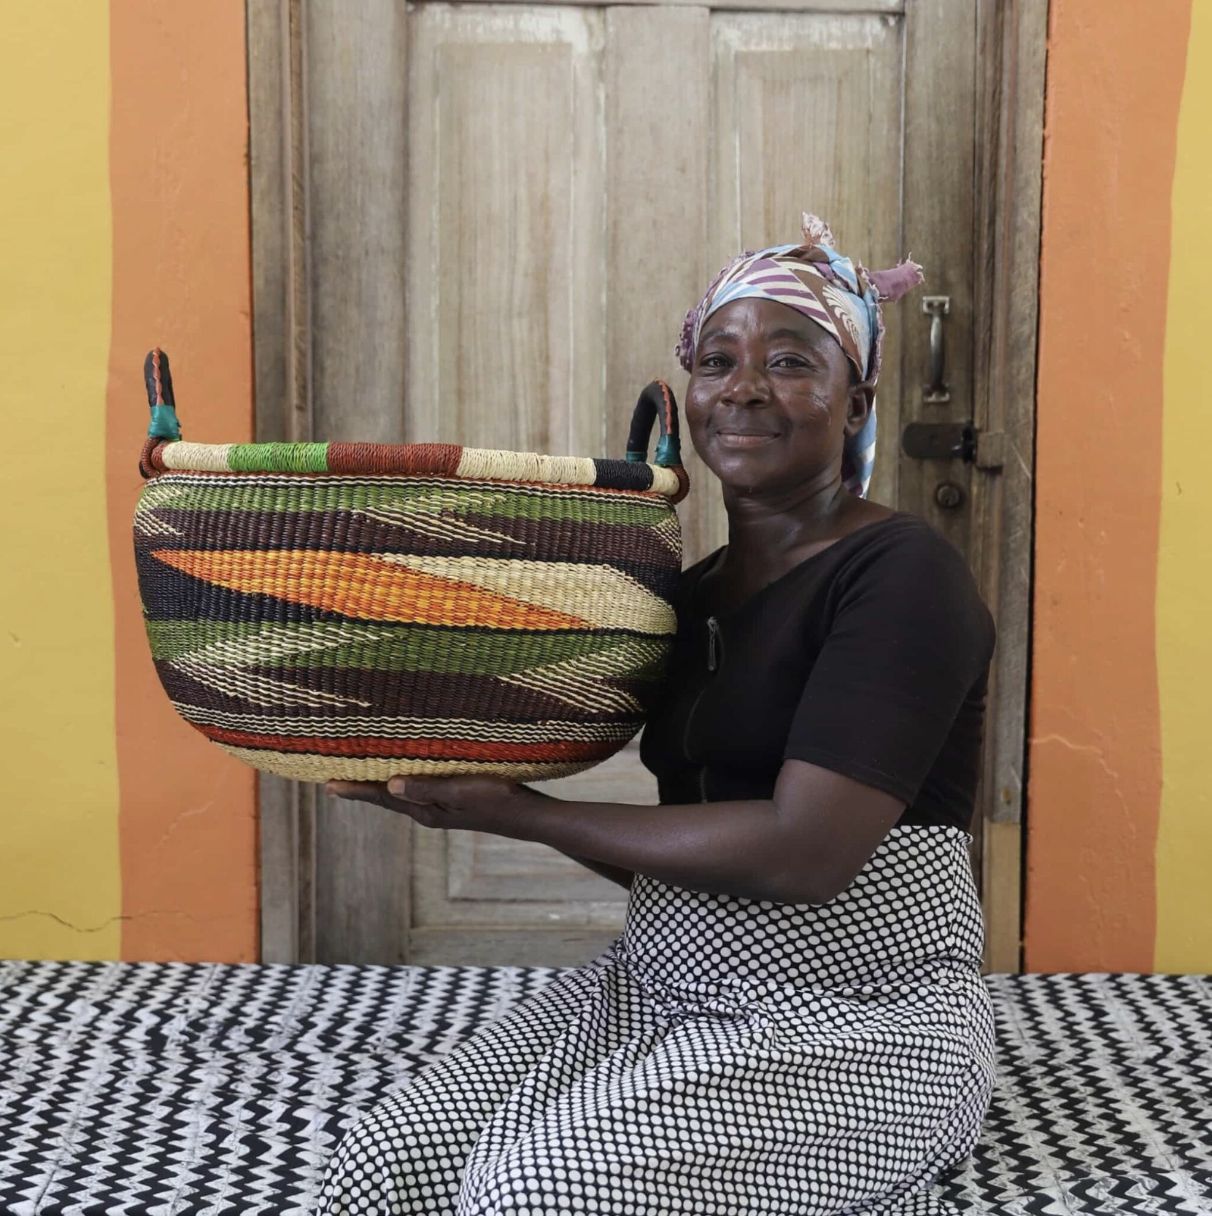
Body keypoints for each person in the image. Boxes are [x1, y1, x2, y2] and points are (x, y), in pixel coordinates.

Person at [320, 214, 997, 1216]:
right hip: (659, 983)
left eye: (791, 360)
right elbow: (681, 849)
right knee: (385, 1165)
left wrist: (515, 813)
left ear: (857, 400)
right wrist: (432, 774)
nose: (746, 387)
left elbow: (804, 853)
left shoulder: (902, 576)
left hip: (863, 1013)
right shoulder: (688, 594)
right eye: (718, 360)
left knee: (533, 1193)